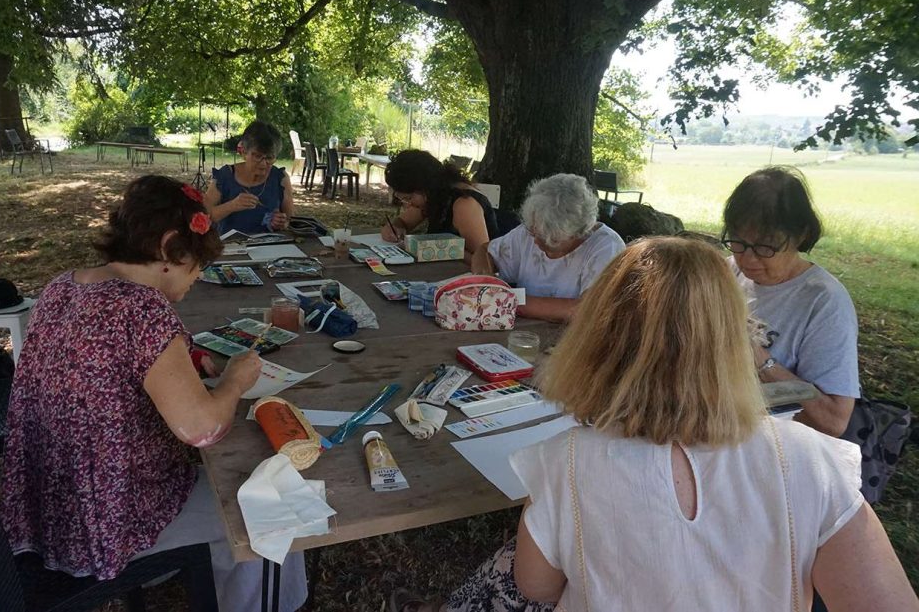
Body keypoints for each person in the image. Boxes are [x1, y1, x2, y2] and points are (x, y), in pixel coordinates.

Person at [392, 238, 916, 612]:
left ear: (597, 340)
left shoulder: (564, 461)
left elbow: (535, 588)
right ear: (737, 337)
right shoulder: (812, 459)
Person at [0, 175, 307, 611]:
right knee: (272, 505)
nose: (197, 277)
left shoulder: (63, 286)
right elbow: (202, 429)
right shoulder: (142, 309)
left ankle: (221, 578)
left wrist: (184, 364)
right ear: (169, 249)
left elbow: (105, 371)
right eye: (195, 265)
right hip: (108, 525)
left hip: (48, 513)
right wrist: (235, 381)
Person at [722, 166, 858, 437]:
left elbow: (834, 420)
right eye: (737, 241)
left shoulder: (824, 302)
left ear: (801, 235)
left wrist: (760, 360)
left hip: (776, 444)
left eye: (765, 246)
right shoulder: (728, 273)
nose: (747, 258)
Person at [471, 174, 624, 322]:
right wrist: (485, 282)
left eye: (551, 239)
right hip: (522, 331)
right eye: (533, 232)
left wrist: (508, 299)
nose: (536, 241)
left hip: (572, 336)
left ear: (579, 232)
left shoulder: (607, 247)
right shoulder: (532, 228)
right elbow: (485, 251)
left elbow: (589, 310)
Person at [380, 149, 498, 262]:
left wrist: (443, 249)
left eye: (409, 198)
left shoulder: (464, 205)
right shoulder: (433, 197)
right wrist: (395, 228)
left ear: (425, 188)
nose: (407, 206)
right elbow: (403, 222)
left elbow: (485, 261)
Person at [206, 120, 294, 235]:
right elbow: (205, 216)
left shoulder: (280, 178)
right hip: (230, 243)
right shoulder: (225, 176)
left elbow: (290, 220)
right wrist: (232, 205)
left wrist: (281, 223)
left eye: (269, 158)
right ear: (244, 152)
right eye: (257, 156)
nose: (263, 164)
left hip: (268, 243)